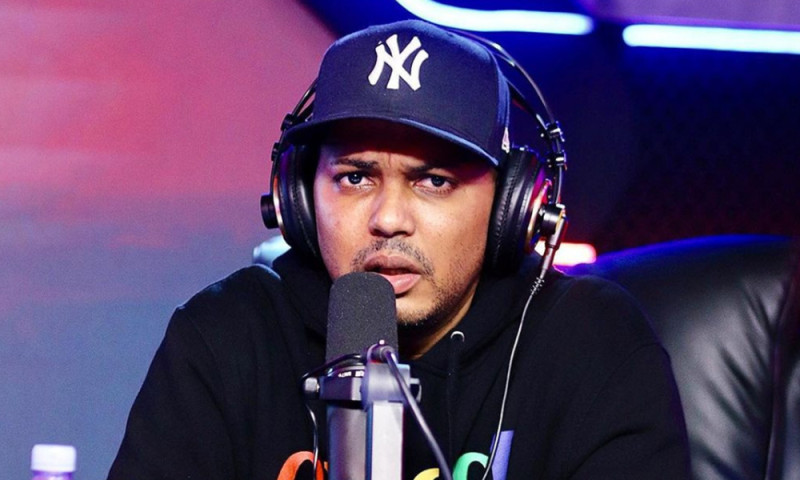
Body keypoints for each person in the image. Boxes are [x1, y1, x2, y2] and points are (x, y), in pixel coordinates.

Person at [108, 19, 690, 480]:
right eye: (356, 177)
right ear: (298, 198)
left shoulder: (592, 345)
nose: (388, 219)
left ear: (512, 205)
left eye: (433, 180)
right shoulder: (226, 337)